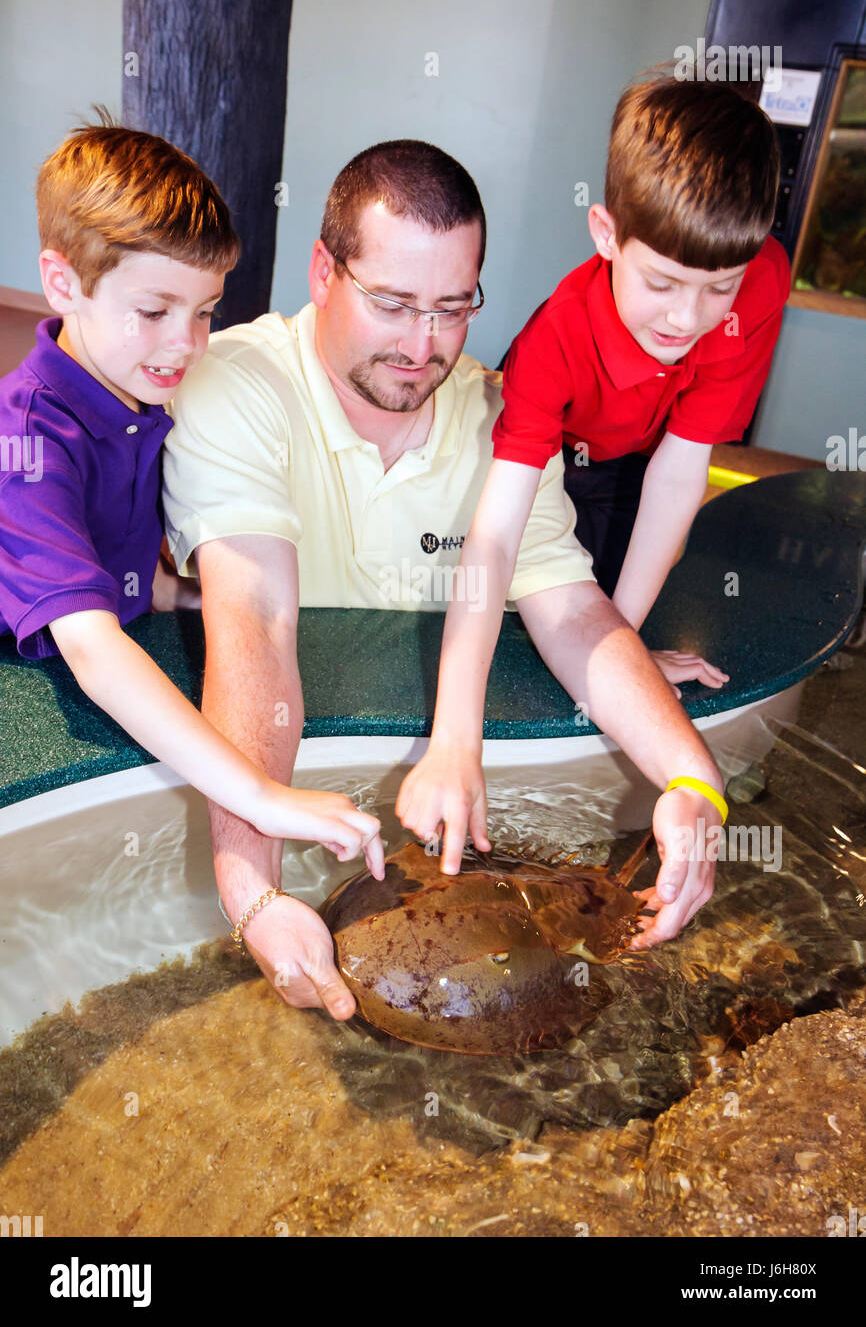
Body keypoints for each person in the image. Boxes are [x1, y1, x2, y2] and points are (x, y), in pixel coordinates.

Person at [162, 139, 727, 1025]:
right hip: (286, 778)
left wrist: (692, 782)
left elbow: (572, 608)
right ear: (322, 272)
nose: (423, 346)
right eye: (392, 304)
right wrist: (255, 898)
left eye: (453, 309)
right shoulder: (237, 386)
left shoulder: (503, 415)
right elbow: (258, 625)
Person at [401, 75, 789, 881]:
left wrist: (628, 653)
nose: (687, 319)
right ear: (606, 232)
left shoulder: (759, 282)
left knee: (607, 628)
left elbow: (683, 474)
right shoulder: (555, 343)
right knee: (541, 601)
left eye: (718, 287)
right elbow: (499, 531)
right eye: (663, 284)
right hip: (563, 455)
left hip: (652, 449)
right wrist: (454, 738)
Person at [0, 115, 383, 882]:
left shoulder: (131, 389)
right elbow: (95, 653)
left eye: (205, 311)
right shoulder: (26, 443)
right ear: (61, 281)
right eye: (154, 311)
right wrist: (263, 797)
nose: (187, 344)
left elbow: (125, 563)